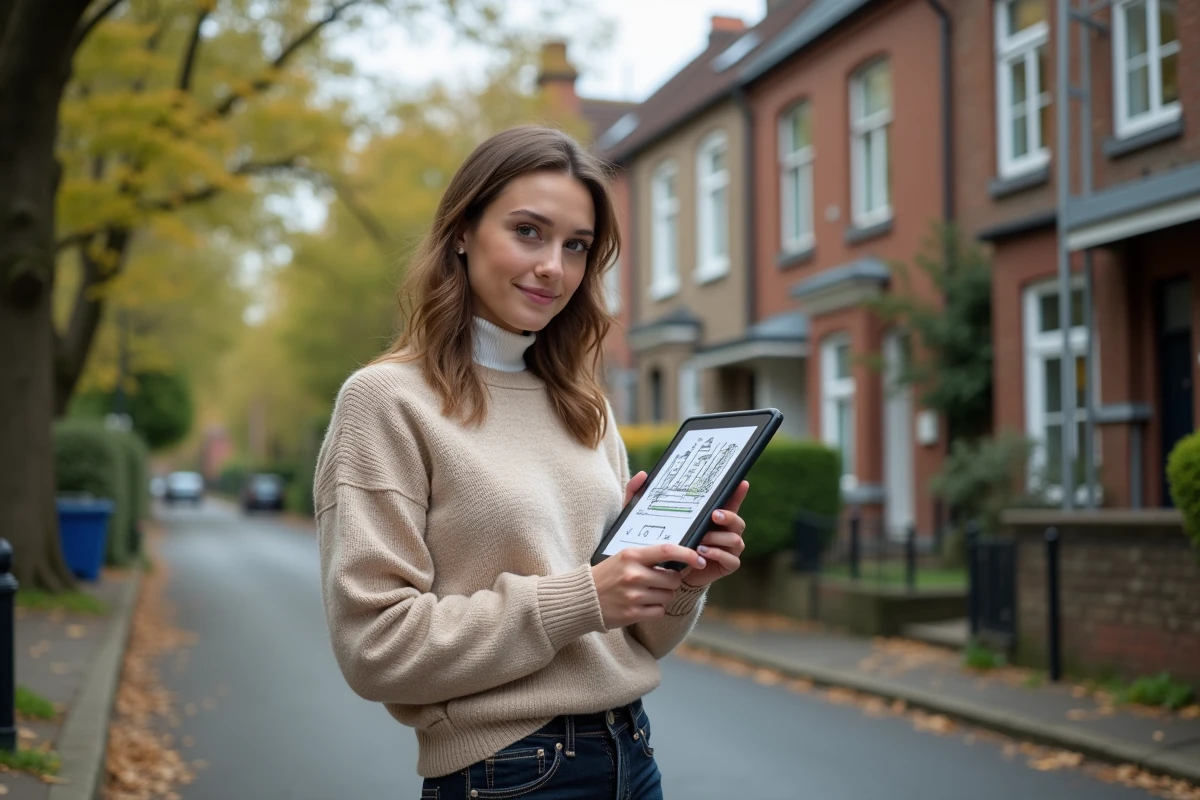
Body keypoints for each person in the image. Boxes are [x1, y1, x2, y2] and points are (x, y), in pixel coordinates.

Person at [313, 125, 750, 800]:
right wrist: (582, 596)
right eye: (528, 232)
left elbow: (637, 642)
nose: (555, 266)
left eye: (577, 246)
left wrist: (679, 576)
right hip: (510, 772)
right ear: (461, 231)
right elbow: (377, 648)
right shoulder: (386, 402)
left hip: (633, 755)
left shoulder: (585, 407)